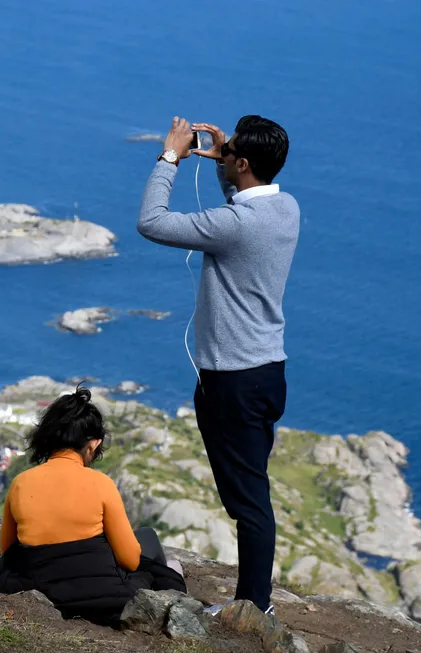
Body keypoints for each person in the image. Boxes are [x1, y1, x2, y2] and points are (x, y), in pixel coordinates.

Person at [136, 115, 299, 614]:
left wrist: (170, 157)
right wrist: (232, 163)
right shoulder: (286, 207)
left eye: (229, 153)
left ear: (245, 163)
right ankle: (254, 600)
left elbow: (152, 222)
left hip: (234, 382)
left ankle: (254, 608)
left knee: (249, 504)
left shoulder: (235, 225)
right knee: (248, 495)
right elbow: (241, 213)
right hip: (267, 372)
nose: (221, 154)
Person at [0, 386, 186, 627]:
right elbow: (131, 561)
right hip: (103, 598)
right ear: (93, 443)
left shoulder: (20, 483)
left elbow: (9, 550)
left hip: (41, 591)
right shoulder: (100, 483)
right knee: (148, 538)